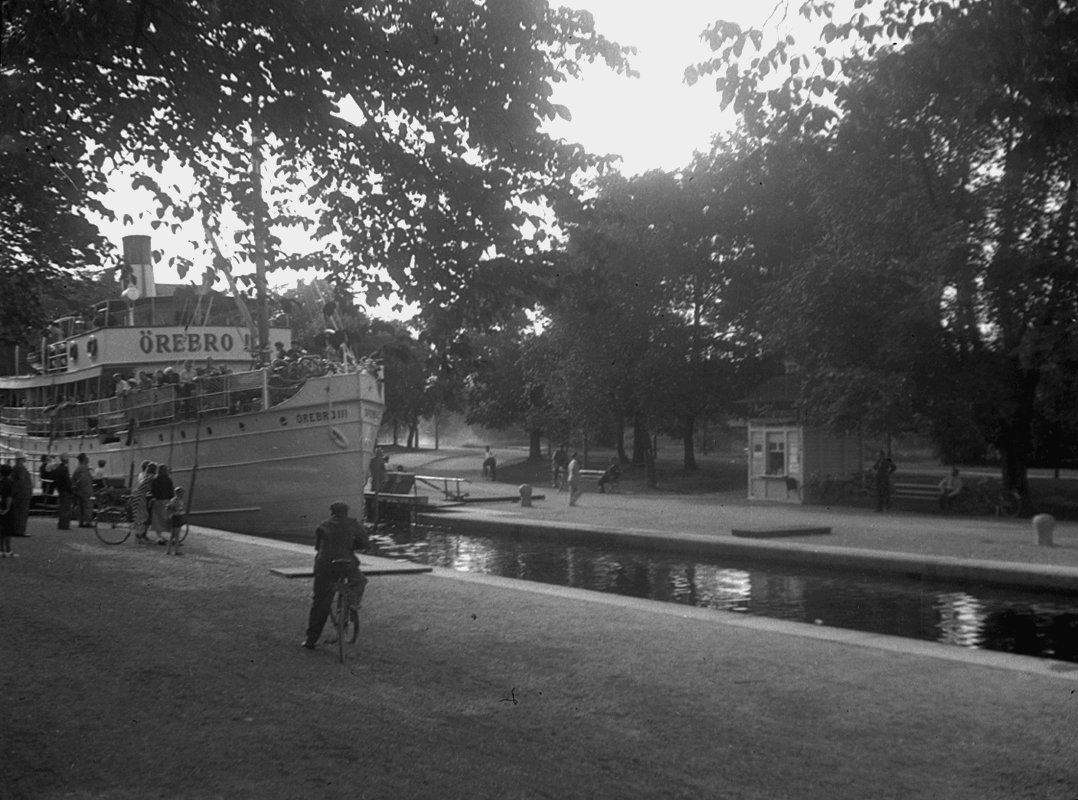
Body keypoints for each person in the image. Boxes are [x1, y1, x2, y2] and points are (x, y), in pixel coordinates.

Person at [302, 502, 369, 650]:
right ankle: (352, 602)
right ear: (347, 512)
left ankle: (311, 639)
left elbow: (318, 547)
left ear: (331, 512)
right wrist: (350, 546)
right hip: (346, 563)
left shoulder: (323, 525)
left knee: (320, 602)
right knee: (360, 580)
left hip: (325, 565)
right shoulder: (353, 523)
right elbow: (365, 542)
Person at [150, 464, 175, 544]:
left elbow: (153, 491)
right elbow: (171, 492)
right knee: (168, 519)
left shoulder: (155, 480)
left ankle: (159, 537)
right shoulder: (168, 480)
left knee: (158, 520)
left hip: (158, 501)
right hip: (166, 501)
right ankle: (173, 538)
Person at [133, 462, 157, 543]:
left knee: (141, 516)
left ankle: (139, 536)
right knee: (143, 516)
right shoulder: (151, 477)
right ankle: (139, 536)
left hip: (138, 495)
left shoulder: (145, 476)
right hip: (141, 497)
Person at [11, 452, 33, 538]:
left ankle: (15, 530)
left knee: (17, 513)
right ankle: (20, 531)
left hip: (18, 494)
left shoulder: (15, 468)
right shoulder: (21, 468)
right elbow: (22, 481)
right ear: (21, 459)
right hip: (23, 494)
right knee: (22, 513)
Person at [72, 453, 95, 528]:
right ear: (84, 459)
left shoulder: (78, 468)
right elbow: (84, 480)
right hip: (86, 491)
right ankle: (88, 522)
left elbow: (74, 479)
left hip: (79, 491)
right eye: (87, 457)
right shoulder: (84, 469)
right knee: (88, 507)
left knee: (80, 507)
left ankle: (81, 521)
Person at [53, 453, 74, 530]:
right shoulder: (65, 469)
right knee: (66, 508)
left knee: (62, 508)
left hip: (60, 490)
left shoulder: (58, 468)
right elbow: (67, 481)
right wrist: (71, 489)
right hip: (66, 491)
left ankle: (61, 523)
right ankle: (65, 524)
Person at [165, 486, 187, 555]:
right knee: (176, 535)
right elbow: (174, 509)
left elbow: (168, 507)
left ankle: (169, 550)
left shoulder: (173, 500)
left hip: (175, 517)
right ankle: (176, 551)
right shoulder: (177, 501)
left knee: (173, 535)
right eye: (182, 492)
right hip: (177, 517)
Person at [0, 463, 15, 558]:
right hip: (6, 506)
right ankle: (8, 550)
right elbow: (9, 497)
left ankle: (1, 549)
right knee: (8, 529)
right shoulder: (9, 483)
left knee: (1, 528)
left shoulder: (1, 482)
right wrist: (7, 508)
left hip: (1, 504)